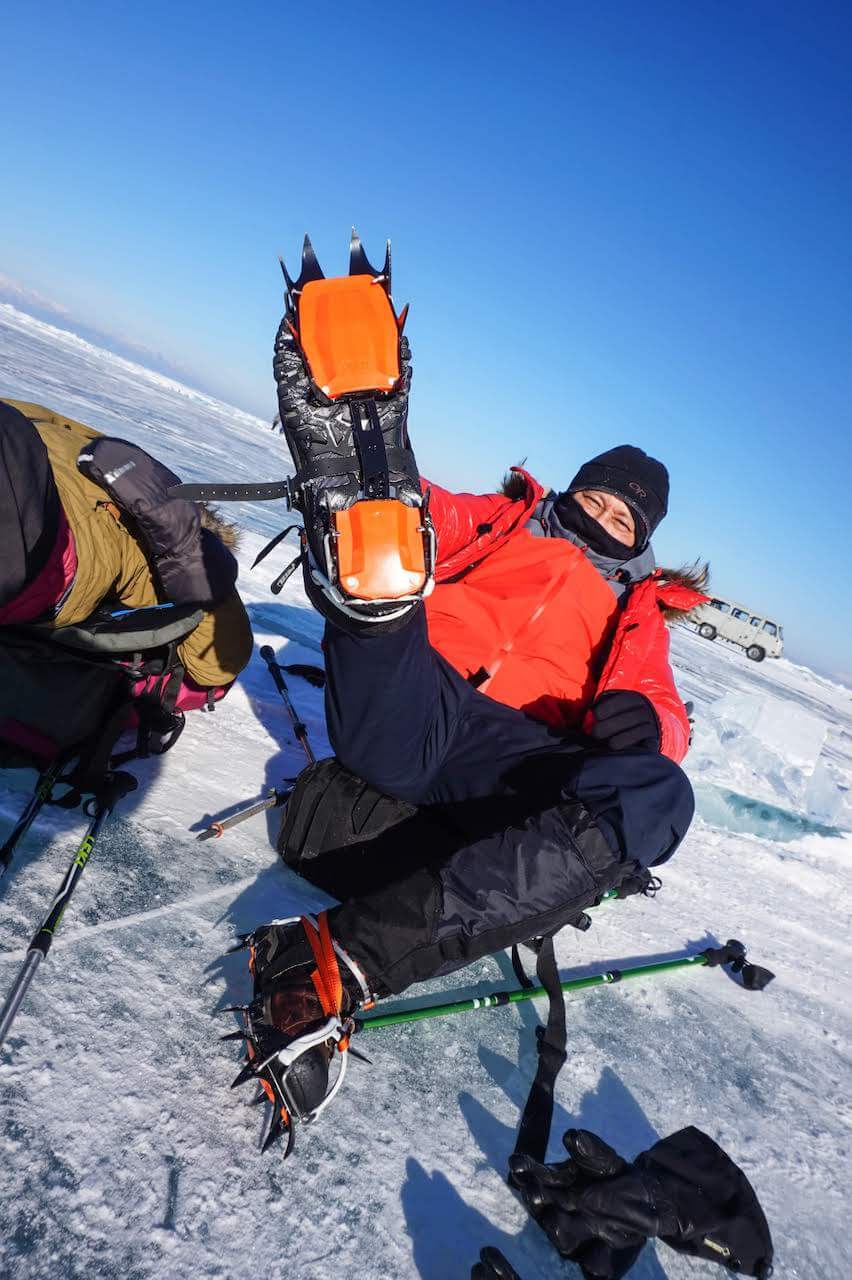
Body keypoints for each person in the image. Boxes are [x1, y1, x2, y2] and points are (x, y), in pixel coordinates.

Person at [234, 312, 707, 1136]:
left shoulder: (638, 612)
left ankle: (341, 960)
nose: (603, 516)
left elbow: (660, 705)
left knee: (658, 794)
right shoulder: (505, 522)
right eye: (592, 496)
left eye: (624, 518)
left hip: (504, 755)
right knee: (382, 556)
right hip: (417, 695)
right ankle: (355, 440)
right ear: (567, 491)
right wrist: (390, 498)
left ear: (643, 543)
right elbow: (431, 515)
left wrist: (644, 729)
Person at [0, 399, 253, 709]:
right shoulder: (159, 563)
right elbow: (217, 666)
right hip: (46, 540)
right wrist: (206, 567)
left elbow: (45, 419)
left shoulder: (104, 456)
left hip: (23, 451)